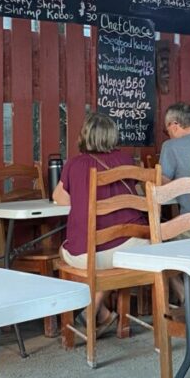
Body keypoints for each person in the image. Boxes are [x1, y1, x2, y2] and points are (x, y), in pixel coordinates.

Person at [52, 113, 149, 337]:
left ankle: (93, 311)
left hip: (87, 255)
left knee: (66, 250)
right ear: (113, 135)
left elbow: (60, 197)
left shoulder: (74, 164)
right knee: (126, 252)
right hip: (130, 248)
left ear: (84, 135)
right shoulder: (127, 161)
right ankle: (100, 313)